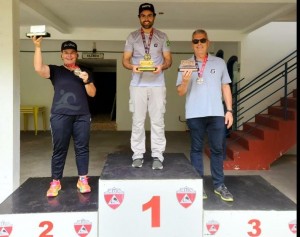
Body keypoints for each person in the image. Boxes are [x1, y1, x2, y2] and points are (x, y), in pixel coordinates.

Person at [32, 36, 96, 197]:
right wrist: (38, 46)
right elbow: (39, 68)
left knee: (82, 148)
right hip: (60, 116)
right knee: (59, 149)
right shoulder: (55, 71)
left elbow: (92, 93)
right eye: (66, 53)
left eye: (72, 53)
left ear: (77, 55)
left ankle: (82, 179)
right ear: (61, 55)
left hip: (82, 115)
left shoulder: (85, 72)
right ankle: (55, 182)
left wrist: (87, 81)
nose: (69, 55)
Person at [176, 29, 234, 202]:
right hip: (195, 114)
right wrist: (185, 80)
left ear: (208, 42)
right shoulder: (186, 63)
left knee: (217, 149)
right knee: (196, 149)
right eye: (195, 41)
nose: (199, 43)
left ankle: (219, 185)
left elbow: (225, 87)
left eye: (202, 40)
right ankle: (197, 185)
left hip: (216, 113)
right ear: (192, 44)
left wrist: (229, 110)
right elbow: (180, 91)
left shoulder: (219, 62)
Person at [122, 3, 172, 170]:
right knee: (138, 121)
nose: (146, 18)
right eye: (143, 15)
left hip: (157, 84)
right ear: (139, 18)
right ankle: (137, 154)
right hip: (138, 84)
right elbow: (125, 61)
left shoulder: (163, 36)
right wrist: (132, 67)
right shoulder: (132, 37)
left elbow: (168, 60)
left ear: (154, 17)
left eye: (149, 15)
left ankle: (158, 155)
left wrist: (161, 67)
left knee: (158, 121)